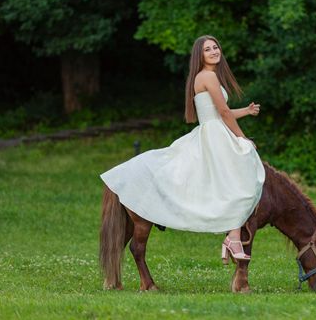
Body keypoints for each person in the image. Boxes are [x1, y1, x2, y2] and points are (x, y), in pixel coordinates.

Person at [100, 35, 265, 262]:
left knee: (234, 180)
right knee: (239, 176)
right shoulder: (207, 76)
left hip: (215, 130)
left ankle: (233, 234)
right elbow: (224, 114)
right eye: (208, 49)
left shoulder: (208, 76)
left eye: (216, 47)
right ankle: (233, 235)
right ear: (201, 55)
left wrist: (245, 111)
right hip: (215, 134)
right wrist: (243, 138)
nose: (214, 51)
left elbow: (219, 112)